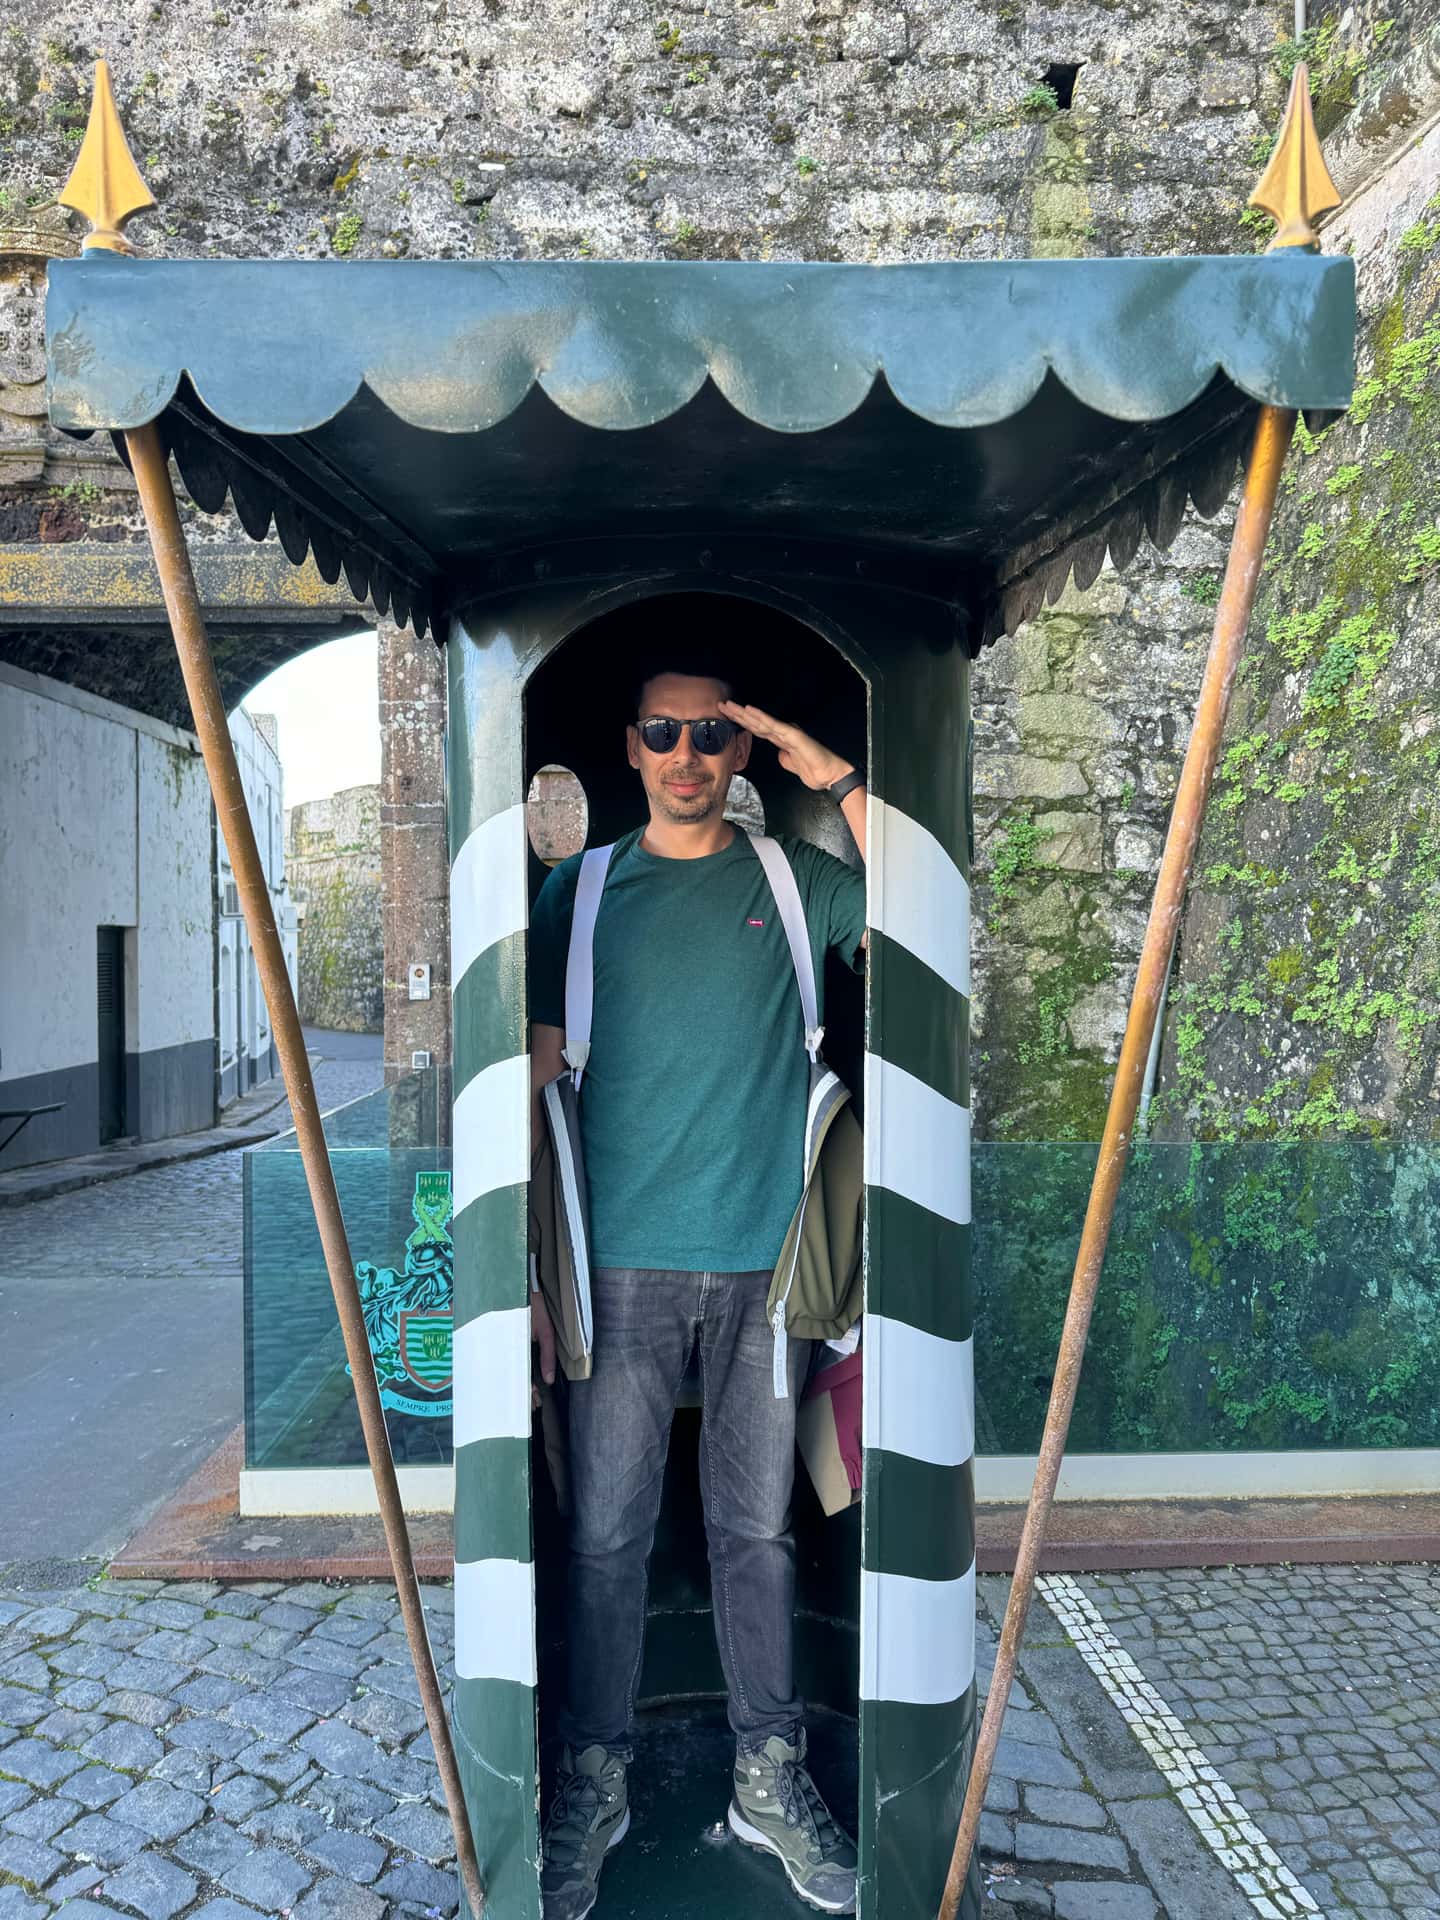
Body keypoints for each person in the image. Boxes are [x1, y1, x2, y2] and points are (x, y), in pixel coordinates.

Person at [528, 653, 869, 1919]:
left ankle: (769, 1777)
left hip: (767, 1272)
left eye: (713, 735)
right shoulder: (580, 889)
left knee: (757, 1538)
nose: (688, 755)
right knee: (605, 1538)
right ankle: (593, 1778)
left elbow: (931, 909)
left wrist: (822, 765)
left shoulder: (794, 884)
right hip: (615, 1273)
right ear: (631, 747)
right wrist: (519, 1273)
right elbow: (534, 1078)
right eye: (664, 733)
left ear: (741, 750)